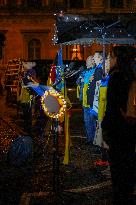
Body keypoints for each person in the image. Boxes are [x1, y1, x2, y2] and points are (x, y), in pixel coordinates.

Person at [101, 46, 136, 205]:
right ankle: (127, 193)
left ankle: (121, 197)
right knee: (128, 163)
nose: (109, 60)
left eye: (111, 57)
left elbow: (112, 108)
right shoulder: (131, 76)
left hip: (117, 129)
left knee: (118, 167)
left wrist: (105, 128)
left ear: (118, 59)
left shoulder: (116, 77)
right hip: (130, 128)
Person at [76, 55, 96, 144]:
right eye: (87, 59)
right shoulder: (83, 72)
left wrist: (85, 80)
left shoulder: (95, 71)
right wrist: (84, 79)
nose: (87, 61)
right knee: (87, 121)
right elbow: (77, 81)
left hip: (91, 101)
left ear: (93, 61)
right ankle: (89, 139)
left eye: (89, 59)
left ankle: (95, 140)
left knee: (93, 122)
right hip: (84, 101)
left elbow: (94, 82)